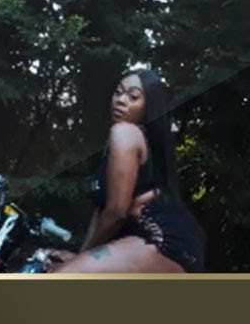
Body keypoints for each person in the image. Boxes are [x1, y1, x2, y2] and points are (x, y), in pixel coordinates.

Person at [38, 68, 206, 273]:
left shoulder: (125, 133)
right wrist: (81, 255)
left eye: (133, 96)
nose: (121, 100)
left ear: (149, 106)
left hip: (160, 240)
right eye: (118, 92)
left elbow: (117, 211)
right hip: (173, 246)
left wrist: (79, 259)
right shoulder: (126, 144)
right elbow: (102, 211)